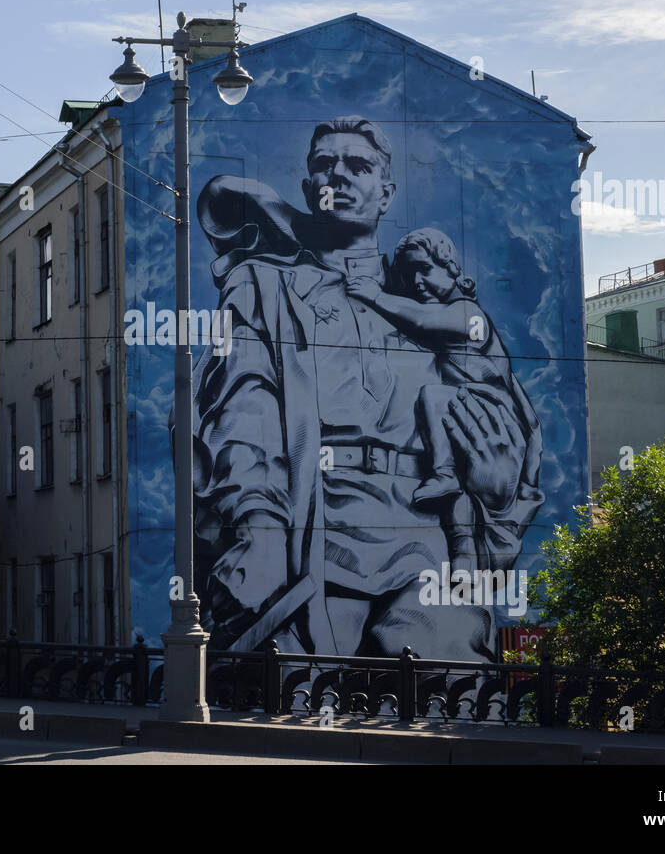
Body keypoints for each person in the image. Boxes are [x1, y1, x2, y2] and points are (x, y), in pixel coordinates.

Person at [189, 115, 544, 660]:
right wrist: (259, 526)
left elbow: (495, 405)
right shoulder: (264, 286)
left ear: (386, 192)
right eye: (323, 166)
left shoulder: (428, 302)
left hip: (426, 537)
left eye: (359, 165)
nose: (339, 176)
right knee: (303, 694)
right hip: (316, 528)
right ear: (310, 190)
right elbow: (241, 411)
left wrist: (495, 489)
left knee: (447, 684)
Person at [346, 228, 534, 572]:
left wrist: (374, 296)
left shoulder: (468, 314)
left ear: (452, 269)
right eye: (409, 274)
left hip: (486, 409)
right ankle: (464, 559)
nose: (417, 282)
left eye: (425, 270)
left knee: (433, 396)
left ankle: (443, 472)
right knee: (460, 499)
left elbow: (422, 319)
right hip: (465, 416)